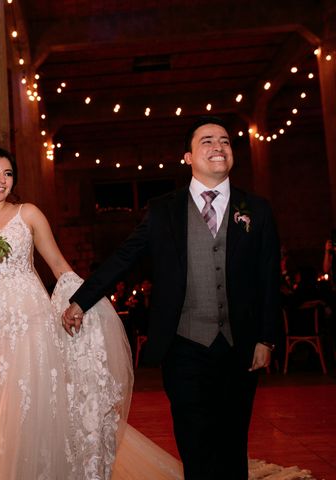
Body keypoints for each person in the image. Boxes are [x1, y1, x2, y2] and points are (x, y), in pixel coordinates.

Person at [64, 116, 281, 480]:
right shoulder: (164, 209)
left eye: (225, 141)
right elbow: (124, 256)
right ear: (188, 156)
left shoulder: (256, 209)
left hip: (240, 344)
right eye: (207, 141)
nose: (218, 147)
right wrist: (81, 300)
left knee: (232, 441)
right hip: (184, 345)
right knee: (194, 441)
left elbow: (268, 277)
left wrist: (267, 337)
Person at [0, 146, 151, 479]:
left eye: (8, 173)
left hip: (30, 321)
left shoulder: (27, 213)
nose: (1, 180)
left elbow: (58, 265)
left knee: (29, 408)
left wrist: (83, 301)